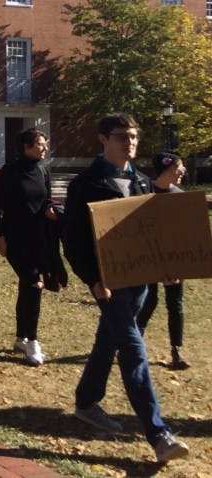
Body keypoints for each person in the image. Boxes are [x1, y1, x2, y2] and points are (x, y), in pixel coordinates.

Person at [63, 113, 188, 463]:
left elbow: (152, 234)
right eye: (121, 136)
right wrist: (93, 279)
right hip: (109, 283)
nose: (129, 142)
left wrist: (164, 268)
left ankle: (86, 401)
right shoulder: (85, 184)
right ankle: (159, 434)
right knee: (133, 350)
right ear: (103, 139)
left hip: (140, 282)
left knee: (109, 340)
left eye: (133, 136)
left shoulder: (144, 183)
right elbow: (72, 240)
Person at [0, 128, 65, 366]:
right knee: (34, 283)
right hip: (15, 238)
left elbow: (47, 199)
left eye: (45, 144)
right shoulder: (9, 172)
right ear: (26, 147)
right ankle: (32, 341)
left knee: (27, 286)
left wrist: (52, 211)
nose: (45, 148)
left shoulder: (43, 171)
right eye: (40, 144)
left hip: (39, 237)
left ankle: (21, 337)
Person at [136, 152, 189, 370]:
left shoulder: (180, 196)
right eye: (179, 168)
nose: (182, 172)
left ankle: (177, 350)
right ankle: (133, 342)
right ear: (165, 170)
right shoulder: (144, 192)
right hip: (148, 257)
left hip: (174, 258)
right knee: (148, 300)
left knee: (175, 303)